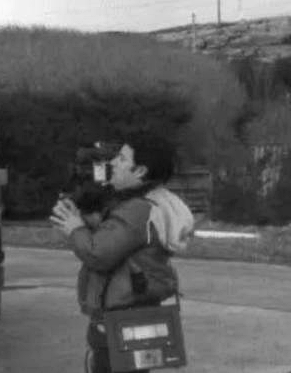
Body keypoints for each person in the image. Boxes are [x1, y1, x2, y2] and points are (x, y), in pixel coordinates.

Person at [49, 138, 195, 373]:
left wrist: (74, 227)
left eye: (123, 159)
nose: (113, 163)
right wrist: (90, 221)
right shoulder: (149, 202)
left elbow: (98, 254)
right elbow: (122, 238)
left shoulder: (137, 209)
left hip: (120, 323)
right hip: (136, 315)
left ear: (140, 171)